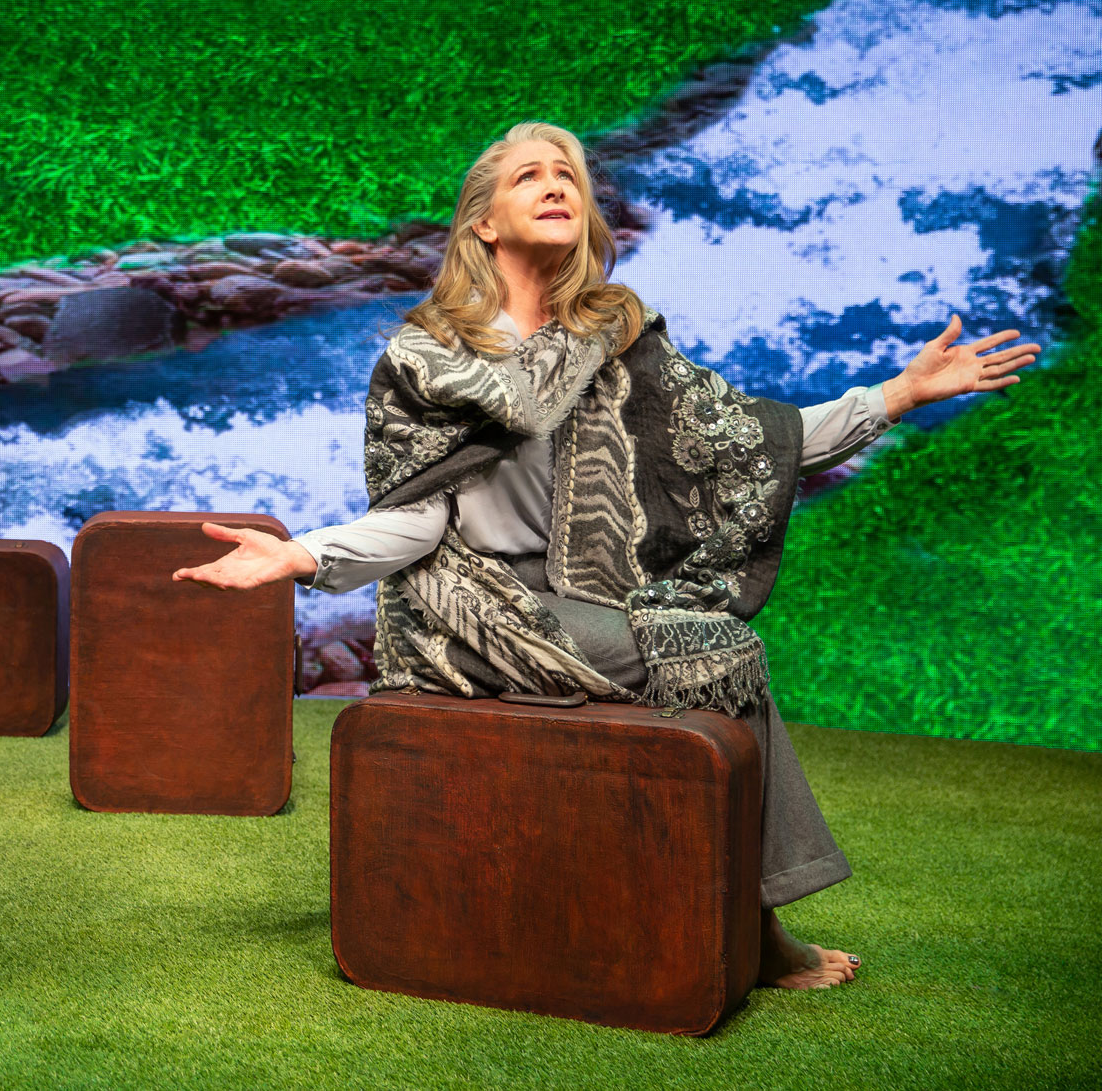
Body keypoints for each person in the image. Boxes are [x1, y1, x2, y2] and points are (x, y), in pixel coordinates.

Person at [176, 121, 1038, 991]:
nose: (557, 184)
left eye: (569, 174)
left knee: (713, 645)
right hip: (470, 604)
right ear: (484, 222)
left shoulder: (613, 335)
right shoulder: (428, 356)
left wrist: (895, 394)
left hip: (587, 590)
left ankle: (737, 905)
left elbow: (747, 441)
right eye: (529, 176)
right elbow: (415, 522)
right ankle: (761, 924)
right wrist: (302, 555)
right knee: (716, 648)